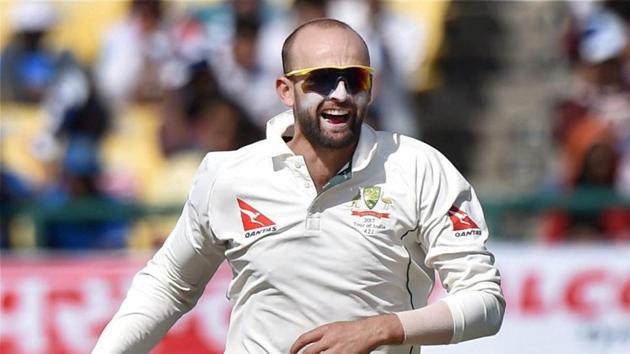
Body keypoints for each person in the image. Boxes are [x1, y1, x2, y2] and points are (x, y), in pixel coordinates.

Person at [93, 19, 504, 353]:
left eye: (354, 79)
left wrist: (381, 329)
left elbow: (485, 302)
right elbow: (168, 286)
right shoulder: (228, 175)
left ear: (371, 88)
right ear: (285, 91)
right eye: (322, 79)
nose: (340, 94)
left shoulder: (418, 168)